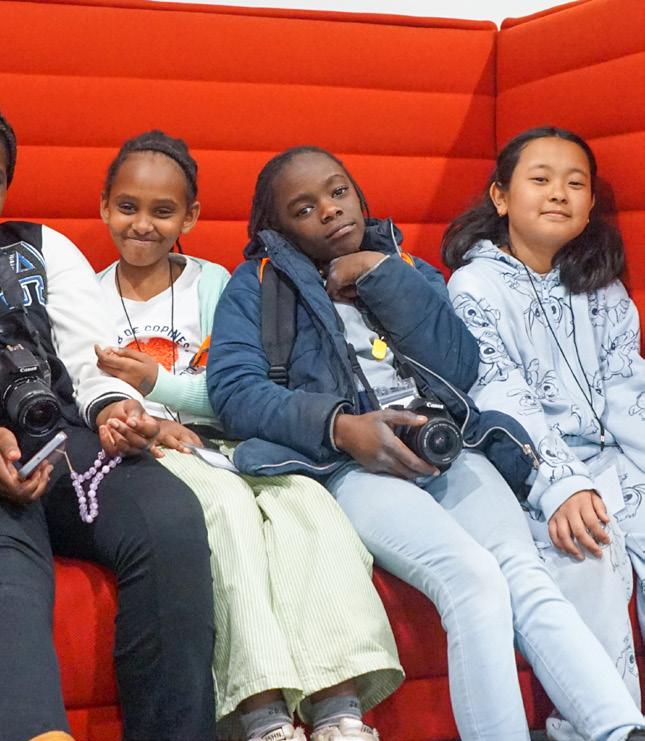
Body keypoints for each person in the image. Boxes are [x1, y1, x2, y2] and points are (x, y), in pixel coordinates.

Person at [205, 144, 645, 741]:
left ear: (359, 195)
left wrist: (381, 274)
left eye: (338, 192)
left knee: (522, 571)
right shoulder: (257, 286)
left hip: (449, 448)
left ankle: (618, 728)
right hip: (351, 467)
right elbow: (234, 392)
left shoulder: (405, 266)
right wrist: (341, 426)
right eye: (304, 209)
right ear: (277, 229)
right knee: (473, 579)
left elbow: (460, 364)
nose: (330, 211)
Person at [0, 93, 215, 741]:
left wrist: (114, 407)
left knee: (171, 517)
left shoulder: (39, 247)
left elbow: (89, 357)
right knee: (2, 563)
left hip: (61, 437)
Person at [92, 130, 403, 741]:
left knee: (310, 505)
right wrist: (147, 420)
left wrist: (160, 384)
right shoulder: (89, 296)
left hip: (234, 439)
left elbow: (237, 390)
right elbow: (88, 391)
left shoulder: (218, 284)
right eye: (127, 207)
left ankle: (338, 708)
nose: (143, 225)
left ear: (191, 216)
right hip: (149, 454)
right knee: (228, 511)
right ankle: (262, 714)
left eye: (162, 211)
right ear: (104, 206)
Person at [443, 125, 645, 738]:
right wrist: (562, 485)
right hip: (533, 472)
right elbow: (498, 397)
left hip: (618, 467)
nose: (559, 192)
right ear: (500, 196)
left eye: (575, 183)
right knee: (587, 555)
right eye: (541, 179)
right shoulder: (472, 287)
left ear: (590, 205)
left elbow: (629, 393)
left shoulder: (603, 288)